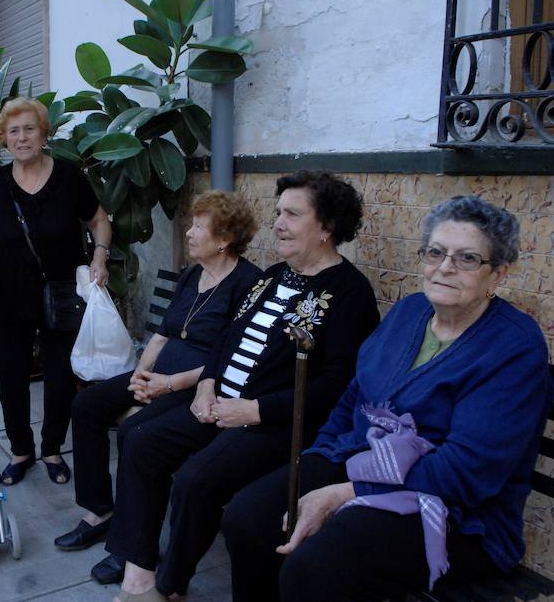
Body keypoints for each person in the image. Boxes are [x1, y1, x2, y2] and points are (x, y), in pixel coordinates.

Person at [221, 195, 553, 602]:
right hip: (360, 461)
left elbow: (465, 473)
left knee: (317, 566)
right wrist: (318, 458)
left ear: (497, 274)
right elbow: (353, 398)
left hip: (456, 512)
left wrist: (347, 492)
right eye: (435, 252)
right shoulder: (410, 311)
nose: (445, 267)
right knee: (248, 517)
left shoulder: (514, 348)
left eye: (467, 258)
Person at [103, 171, 381, 602]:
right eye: (278, 213)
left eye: (292, 214)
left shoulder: (350, 294)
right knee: (140, 441)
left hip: (276, 424)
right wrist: (207, 384)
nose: (278, 223)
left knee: (195, 480)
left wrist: (256, 411)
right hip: (218, 406)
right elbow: (225, 339)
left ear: (327, 227)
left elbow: (337, 387)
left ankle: (169, 587)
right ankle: (138, 565)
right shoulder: (272, 276)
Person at [54, 191, 263, 575]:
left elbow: (229, 359)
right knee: (87, 406)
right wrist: (140, 374)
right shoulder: (192, 275)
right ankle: (100, 510)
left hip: (198, 386)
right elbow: (164, 335)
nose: (188, 232)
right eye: (192, 223)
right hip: (160, 373)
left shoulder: (249, 284)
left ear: (224, 239)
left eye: (200, 226)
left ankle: (133, 546)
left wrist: (166, 384)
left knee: (134, 432)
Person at [0, 97, 112, 486]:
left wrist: (99, 257)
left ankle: (52, 448)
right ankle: (21, 450)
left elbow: (99, 220)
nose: (22, 138)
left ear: (44, 133)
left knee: (58, 376)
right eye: (14, 131)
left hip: (62, 294)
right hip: (9, 295)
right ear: (4, 139)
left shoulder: (69, 176)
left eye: (30, 129)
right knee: (11, 376)